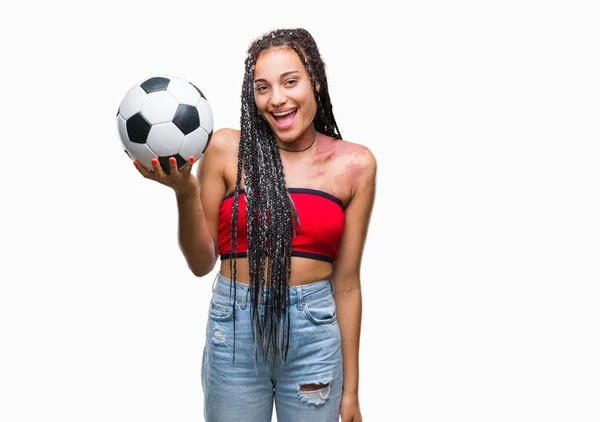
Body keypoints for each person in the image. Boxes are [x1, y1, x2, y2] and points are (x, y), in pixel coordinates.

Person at [133, 27, 376, 422]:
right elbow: (200, 264)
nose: (276, 99)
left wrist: (351, 392)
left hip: (315, 330)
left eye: (290, 82)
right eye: (262, 88)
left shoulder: (356, 165)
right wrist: (185, 193)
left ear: (314, 80)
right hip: (235, 326)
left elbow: (347, 284)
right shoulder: (227, 148)